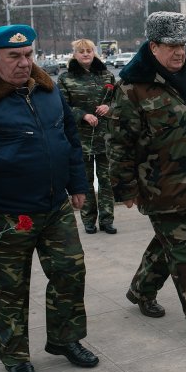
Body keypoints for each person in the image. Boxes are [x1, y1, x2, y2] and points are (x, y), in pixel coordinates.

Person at [0, 24, 98, 372]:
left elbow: (70, 140)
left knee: (69, 273)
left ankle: (65, 340)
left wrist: (77, 183)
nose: (24, 63)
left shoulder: (47, 91)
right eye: (14, 56)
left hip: (55, 207)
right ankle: (14, 355)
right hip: (8, 215)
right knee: (9, 289)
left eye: (28, 54)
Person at [107, 12, 186, 340]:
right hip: (159, 185)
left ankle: (140, 289)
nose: (179, 52)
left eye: (183, 45)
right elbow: (119, 143)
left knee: (171, 242)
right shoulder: (133, 87)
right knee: (183, 249)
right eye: (171, 46)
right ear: (153, 46)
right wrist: (124, 188)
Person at [58, 39, 117, 235]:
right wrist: (82, 114)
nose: (85, 54)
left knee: (107, 180)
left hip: (104, 137)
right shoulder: (66, 78)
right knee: (85, 181)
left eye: (89, 51)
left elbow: (120, 102)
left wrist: (109, 108)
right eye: (81, 51)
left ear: (94, 53)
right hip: (80, 139)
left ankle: (107, 219)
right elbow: (62, 106)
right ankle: (88, 220)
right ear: (74, 54)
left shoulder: (107, 76)